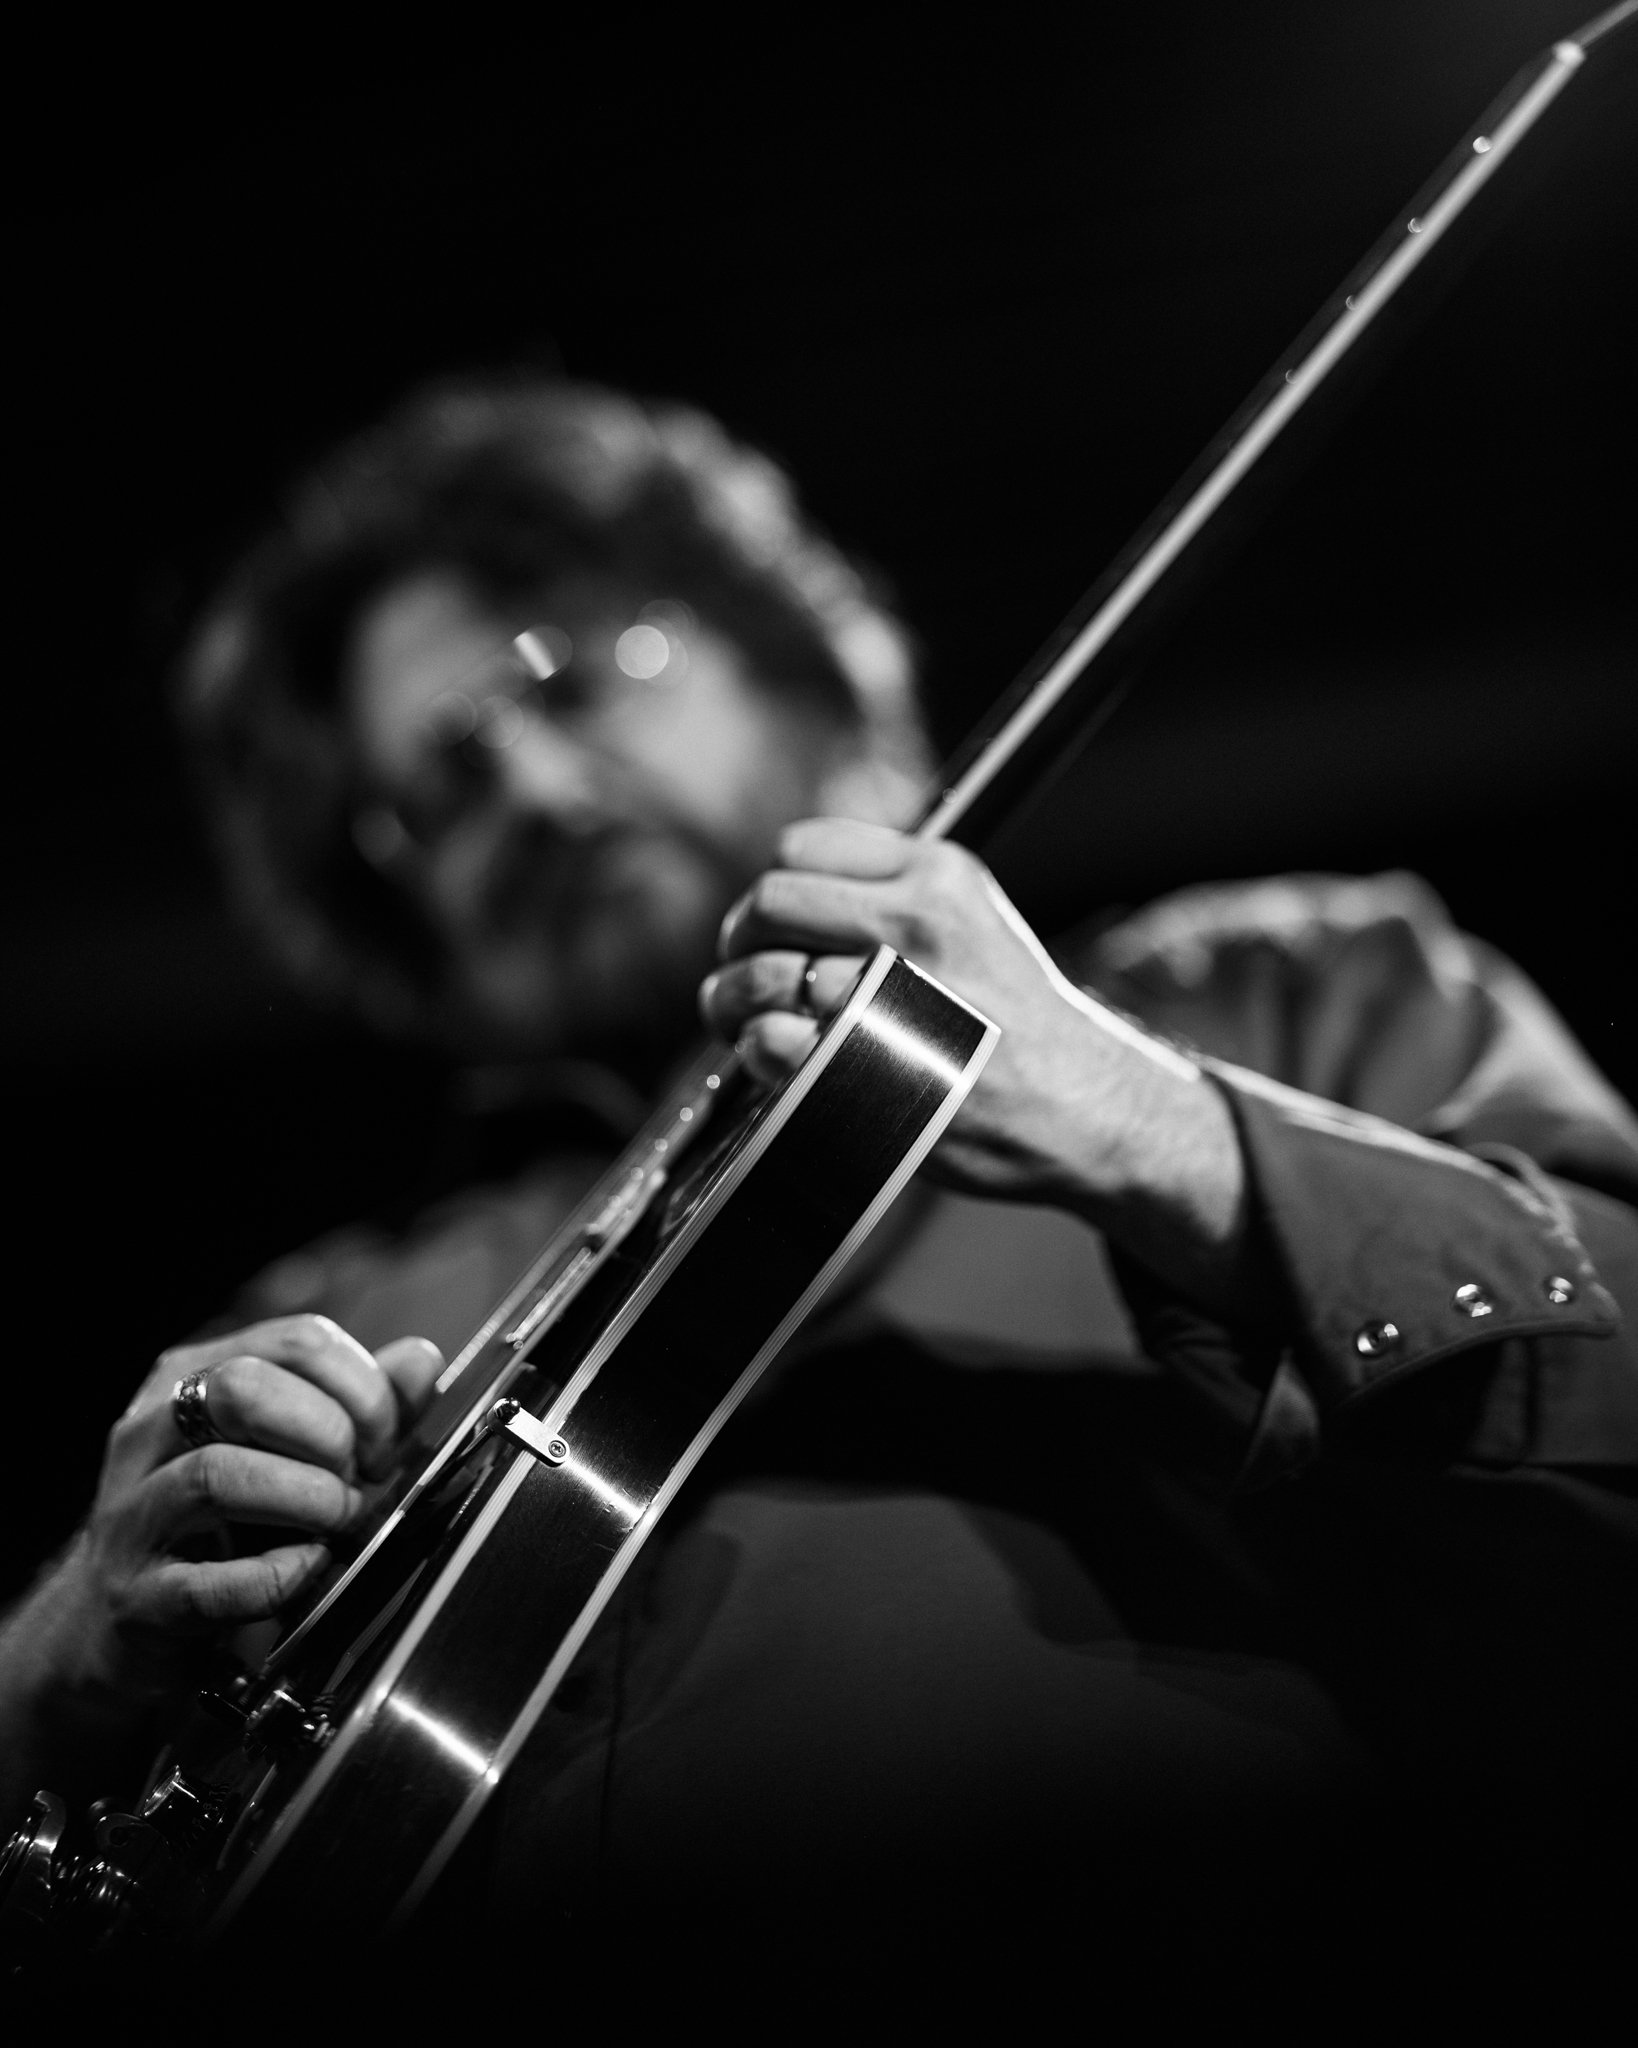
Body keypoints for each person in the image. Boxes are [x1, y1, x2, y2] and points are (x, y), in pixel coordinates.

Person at [3, 379, 1637, 2001]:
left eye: (570, 675)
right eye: (421, 797)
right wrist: (63, 1656)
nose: (528, 791)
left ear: (784, 663)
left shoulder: (1285, 991)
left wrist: (1145, 1119)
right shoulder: (350, 1311)